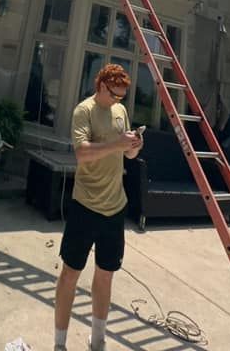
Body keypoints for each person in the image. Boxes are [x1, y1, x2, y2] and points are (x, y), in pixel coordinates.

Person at [54, 63, 143, 351]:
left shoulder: (120, 111)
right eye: (114, 94)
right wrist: (118, 144)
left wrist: (133, 146)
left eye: (122, 96)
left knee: (106, 275)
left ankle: (98, 340)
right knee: (70, 273)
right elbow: (81, 153)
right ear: (102, 86)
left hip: (115, 207)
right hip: (86, 204)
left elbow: (128, 155)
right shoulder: (84, 110)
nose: (118, 100)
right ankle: (59, 343)